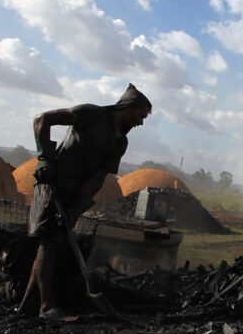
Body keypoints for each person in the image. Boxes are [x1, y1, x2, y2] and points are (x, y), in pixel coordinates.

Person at [17, 84, 152, 319]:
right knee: (49, 242)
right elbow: (42, 119)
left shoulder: (119, 142)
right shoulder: (90, 114)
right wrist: (44, 158)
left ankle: (28, 304)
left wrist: (78, 207)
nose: (140, 123)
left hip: (74, 194)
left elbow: (98, 177)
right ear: (128, 108)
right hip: (52, 184)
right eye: (140, 116)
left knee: (52, 243)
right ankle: (46, 307)